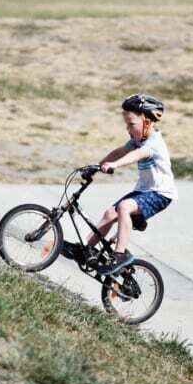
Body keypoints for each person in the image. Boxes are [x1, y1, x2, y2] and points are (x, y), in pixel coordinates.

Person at [62, 93, 177, 275]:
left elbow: (135, 155)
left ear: (147, 122)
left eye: (131, 124)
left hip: (160, 194)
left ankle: (120, 254)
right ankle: (86, 249)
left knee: (123, 207)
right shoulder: (137, 140)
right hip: (144, 191)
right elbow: (121, 151)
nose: (127, 129)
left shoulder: (154, 143)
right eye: (126, 124)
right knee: (110, 213)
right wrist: (98, 166)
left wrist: (115, 165)